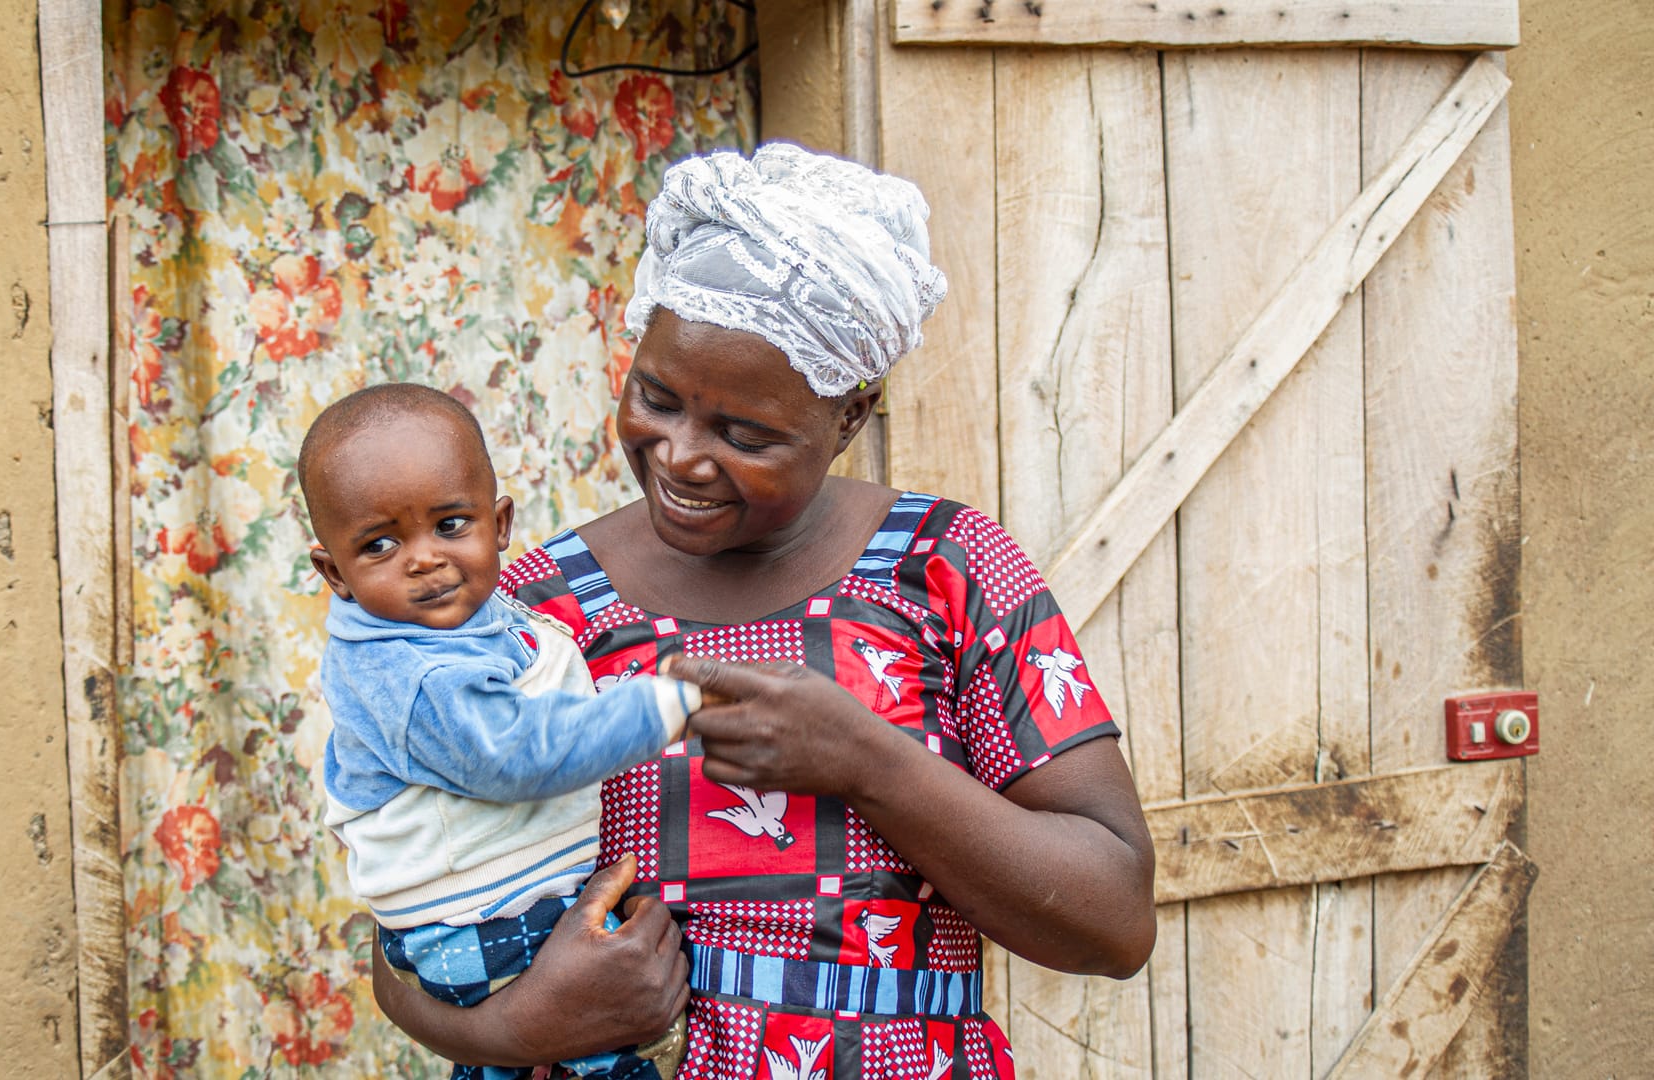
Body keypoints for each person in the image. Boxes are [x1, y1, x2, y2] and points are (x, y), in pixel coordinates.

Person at [368, 144, 1157, 1080]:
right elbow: (403, 908)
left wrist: (867, 761)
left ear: (851, 416)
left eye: (746, 434)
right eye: (655, 398)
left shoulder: (943, 569)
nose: (682, 457)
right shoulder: (528, 613)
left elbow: (1115, 922)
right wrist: (508, 1032)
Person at [301, 383, 703, 1080]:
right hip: (478, 920)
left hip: (493, 907)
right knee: (591, 1048)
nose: (423, 559)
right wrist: (666, 705)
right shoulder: (412, 674)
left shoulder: (477, 616)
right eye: (380, 544)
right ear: (334, 572)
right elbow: (515, 753)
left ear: (501, 523)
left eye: (451, 525)